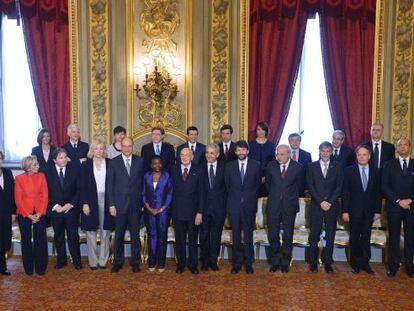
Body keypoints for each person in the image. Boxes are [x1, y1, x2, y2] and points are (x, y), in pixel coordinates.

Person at [342, 145, 381, 274]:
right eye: (359, 155)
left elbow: (377, 193)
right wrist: (345, 211)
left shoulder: (376, 171)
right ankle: (356, 263)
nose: (362, 157)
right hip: (353, 211)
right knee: (354, 237)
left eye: (365, 155)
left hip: (369, 211)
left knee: (366, 237)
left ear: (369, 156)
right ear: (356, 156)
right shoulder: (348, 171)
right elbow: (345, 193)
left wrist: (377, 210)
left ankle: (365, 263)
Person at [107, 137, 144, 273]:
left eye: (129, 146)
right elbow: (109, 186)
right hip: (119, 205)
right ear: (120, 147)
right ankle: (118, 262)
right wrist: (111, 205)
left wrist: (142, 202)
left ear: (133, 147)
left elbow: (142, 184)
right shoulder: (113, 163)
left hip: (135, 205)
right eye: (125, 146)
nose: (127, 148)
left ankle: (135, 262)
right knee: (119, 235)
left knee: (135, 235)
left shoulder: (140, 161)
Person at [266, 145, 304, 273]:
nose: (279, 157)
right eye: (277, 154)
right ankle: (275, 261)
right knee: (273, 235)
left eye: (281, 154)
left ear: (288, 154)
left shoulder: (298, 167)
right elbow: (268, 184)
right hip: (274, 205)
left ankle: (285, 262)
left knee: (288, 235)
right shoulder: (271, 166)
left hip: (289, 205)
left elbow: (300, 186)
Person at [307, 141, 343, 273]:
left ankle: (328, 262)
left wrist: (330, 202)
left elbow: (339, 186)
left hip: (331, 206)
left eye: (328, 151)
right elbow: (310, 185)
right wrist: (320, 202)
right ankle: (313, 262)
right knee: (314, 234)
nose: (325, 153)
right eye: (323, 151)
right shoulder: (311, 166)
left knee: (330, 235)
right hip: (316, 206)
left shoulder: (338, 166)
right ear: (319, 151)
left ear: (331, 152)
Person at [225, 140, 261, 274]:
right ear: (235, 152)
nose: (241, 152)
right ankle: (237, 263)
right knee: (235, 235)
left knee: (248, 235)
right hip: (234, 206)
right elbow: (227, 186)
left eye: (243, 150)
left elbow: (257, 186)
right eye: (238, 150)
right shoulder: (229, 166)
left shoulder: (256, 165)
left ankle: (249, 262)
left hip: (249, 205)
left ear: (247, 151)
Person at [382, 138, 414, 277]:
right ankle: (393, 266)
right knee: (394, 237)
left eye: (405, 145)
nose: (402, 147)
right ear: (396, 148)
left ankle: (409, 266)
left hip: (411, 207)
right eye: (399, 145)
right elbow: (384, 185)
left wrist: (410, 200)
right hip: (394, 206)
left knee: (410, 237)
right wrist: (398, 200)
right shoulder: (389, 165)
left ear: (410, 147)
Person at [45, 148, 82, 270]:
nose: (64, 159)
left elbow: (78, 190)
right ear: (55, 160)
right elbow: (46, 192)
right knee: (59, 236)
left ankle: (76, 260)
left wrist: (70, 204)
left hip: (71, 210)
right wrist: (55, 206)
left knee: (73, 236)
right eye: (61, 157)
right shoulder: (47, 172)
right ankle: (61, 261)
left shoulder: (75, 170)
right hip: (56, 211)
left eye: (65, 157)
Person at [80, 139, 114, 270]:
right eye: (96, 148)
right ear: (92, 150)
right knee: (91, 231)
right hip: (90, 200)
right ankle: (93, 262)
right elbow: (81, 186)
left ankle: (103, 261)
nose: (98, 151)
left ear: (104, 150)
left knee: (105, 231)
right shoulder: (85, 165)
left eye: (101, 148)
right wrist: (84, 203)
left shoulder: (110, 164)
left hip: (107, 199)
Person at [171, 148, 203, 274]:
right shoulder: (173, 169)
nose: (184, 157)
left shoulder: (199, 170)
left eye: (187, 155)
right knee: (180, 240)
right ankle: (181, 264)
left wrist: (200, 212)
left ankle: (193, 264)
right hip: (178, 211)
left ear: (192, 156)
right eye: (182, 155)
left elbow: (201, 193)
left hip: (193, 213)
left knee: (193, 240)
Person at [14, 156, 48, 275]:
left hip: (39, 212)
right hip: (24, 213)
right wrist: (28, 215)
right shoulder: (19, 178)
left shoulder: (42, 176)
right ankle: (28, 268)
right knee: (26, 240)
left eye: (37, 164)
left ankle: (41, 268)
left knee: (40, 240)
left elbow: (45, 196)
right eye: (35, 165)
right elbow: (18, 200)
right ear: (28, 168)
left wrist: (40, 212)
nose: (38, 166)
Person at [142, 156, 173, 272]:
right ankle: (152, 262)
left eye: (159, 163)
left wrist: (162, 208)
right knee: (152, 237)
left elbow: (170, 193)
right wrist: (149, 207)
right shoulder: (146, 176)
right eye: (154, 163)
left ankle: (161, 263)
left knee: (162, 237)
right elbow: (143, 193)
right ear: (151, 165)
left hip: (163, 212)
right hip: (149, 211)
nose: (157, 166)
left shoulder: (167, 176)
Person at [199, 144, 227, 271]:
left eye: (211, 153)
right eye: (207, 152)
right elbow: (197, 192)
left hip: (219, 209)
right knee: (204, 235)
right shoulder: (199, 168)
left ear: (217, 154)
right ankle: (204, 261)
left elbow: (227, 190)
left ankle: (213, 260)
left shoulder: (224, 169)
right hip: (203, 209)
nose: (209, 155)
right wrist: (199, 211)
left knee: (216, 235)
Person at [248, 122, 275, 197]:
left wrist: (266, 176)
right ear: (256, 131)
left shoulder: (271, 145)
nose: (260, 132)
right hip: (252, 178)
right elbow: (248, 162)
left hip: (268, 178)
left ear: (266, 131)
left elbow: (272, 163)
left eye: (263, 130)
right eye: (258, 129)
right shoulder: (250, 145)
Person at [0, 151, 16, 276]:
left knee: (5, 240)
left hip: (6, 213)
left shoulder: (8, 173)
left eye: (0, 159)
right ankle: (2, 267)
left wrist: (13, 212)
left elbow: (12, 195)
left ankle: (2, 266)